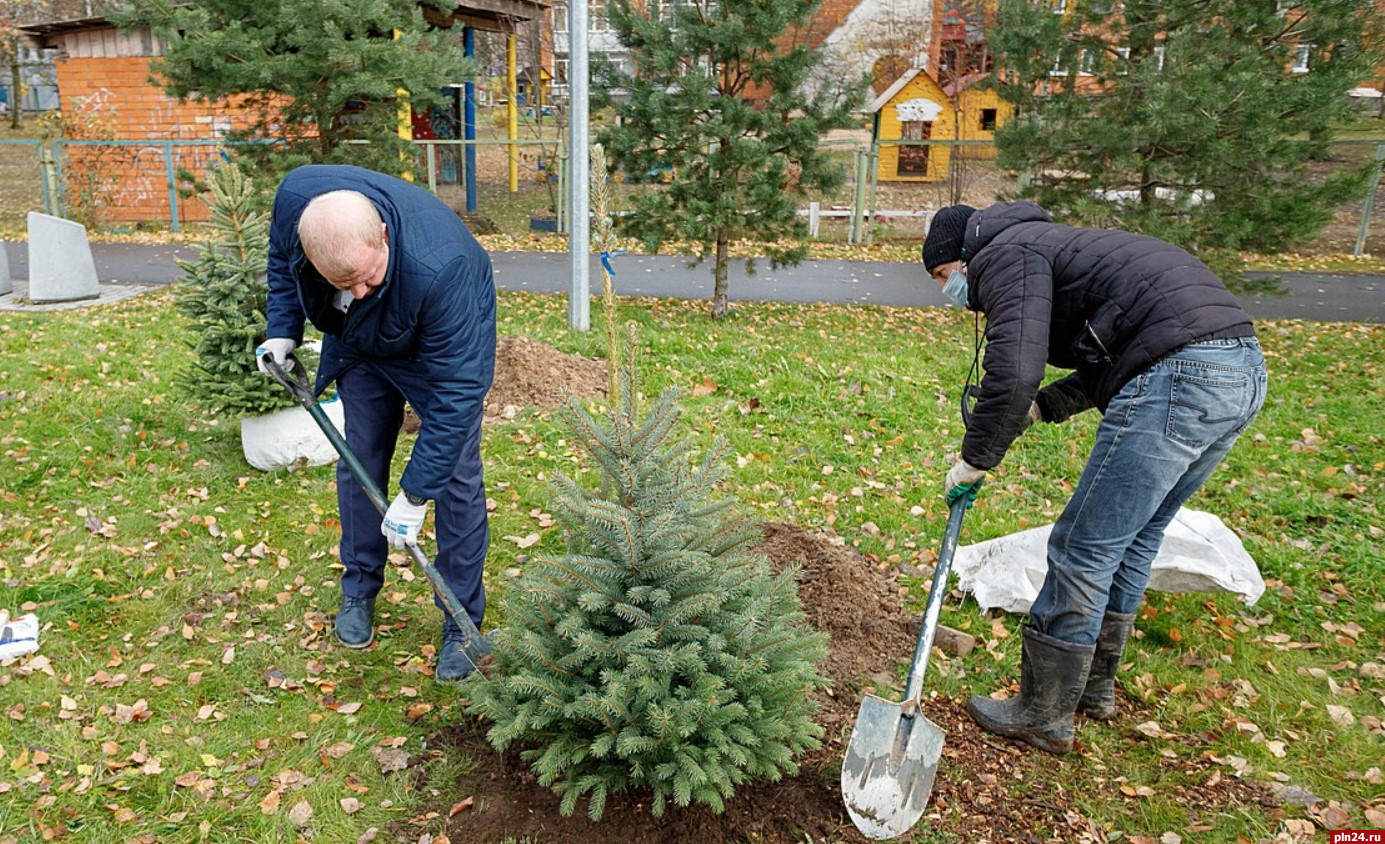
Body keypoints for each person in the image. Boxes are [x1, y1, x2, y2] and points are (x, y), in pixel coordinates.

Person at [923, 200, 1267, 754]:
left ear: (962, 258)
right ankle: (1091, 690)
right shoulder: (1054, 245)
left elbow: (1012, 370)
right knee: (1135, 538)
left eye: (943, 277)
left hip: (1180, 375)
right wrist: (1042, 408)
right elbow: (1120, 356)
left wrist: (976, 458)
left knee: (1082, 547)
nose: (950, 293)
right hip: (1240, 372)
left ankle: (1042, 713)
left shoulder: (1003, 253)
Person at [255, 164, 497, 681]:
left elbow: (458, 396)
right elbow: (282, 262)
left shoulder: (443, 268)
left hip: (431, 337)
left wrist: (414, 495)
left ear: (383, 236)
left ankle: (460, 621)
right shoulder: (297, 201)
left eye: (368, 276)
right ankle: (359, 587)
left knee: (453, 477)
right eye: (344, 282)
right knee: (359, 456)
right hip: (358, 341)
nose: (359, 289)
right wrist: (283, 330)